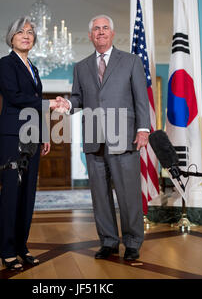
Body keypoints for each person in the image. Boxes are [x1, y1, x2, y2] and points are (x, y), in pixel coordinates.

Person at [55, 15, 150, 261]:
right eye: (95, 28)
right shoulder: (81, 66)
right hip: (94, 139)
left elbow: (141, 98)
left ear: (112, 33)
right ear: (90, 35)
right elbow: (78, 98)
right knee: (100, 195)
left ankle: (132, 242)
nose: (100, 32)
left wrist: (144, 129)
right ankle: (108, 241)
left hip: (125, 137)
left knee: (128, 194)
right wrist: (67, 103)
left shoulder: (131, 61)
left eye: (104, 28)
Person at [0, 16, 56, 270]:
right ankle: (7, 251)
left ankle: (22, 246)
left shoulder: (34, 67)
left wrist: (44, 135)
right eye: (21, 31)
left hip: (32, 136)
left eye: (30, 32)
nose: (26, 35)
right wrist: (48, 104)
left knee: (28, 194)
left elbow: (35, 103)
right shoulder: (6, 64)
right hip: (12, 136)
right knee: (12, 193)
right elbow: (15, 97)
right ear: (11, 37)